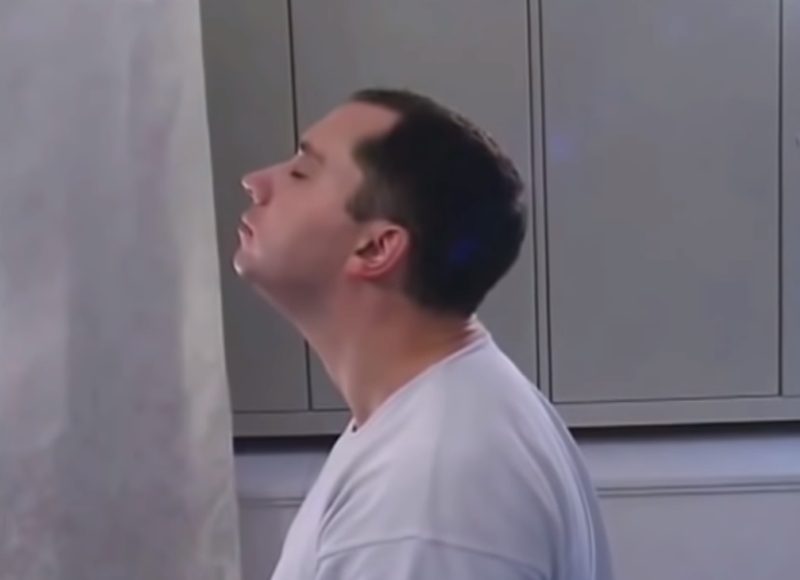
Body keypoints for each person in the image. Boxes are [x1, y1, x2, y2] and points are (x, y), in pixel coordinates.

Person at [234, 88, 614, 580]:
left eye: (301, 173)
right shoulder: (434, 422)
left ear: (376, 248)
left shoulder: (425, 496)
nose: (255, 183)